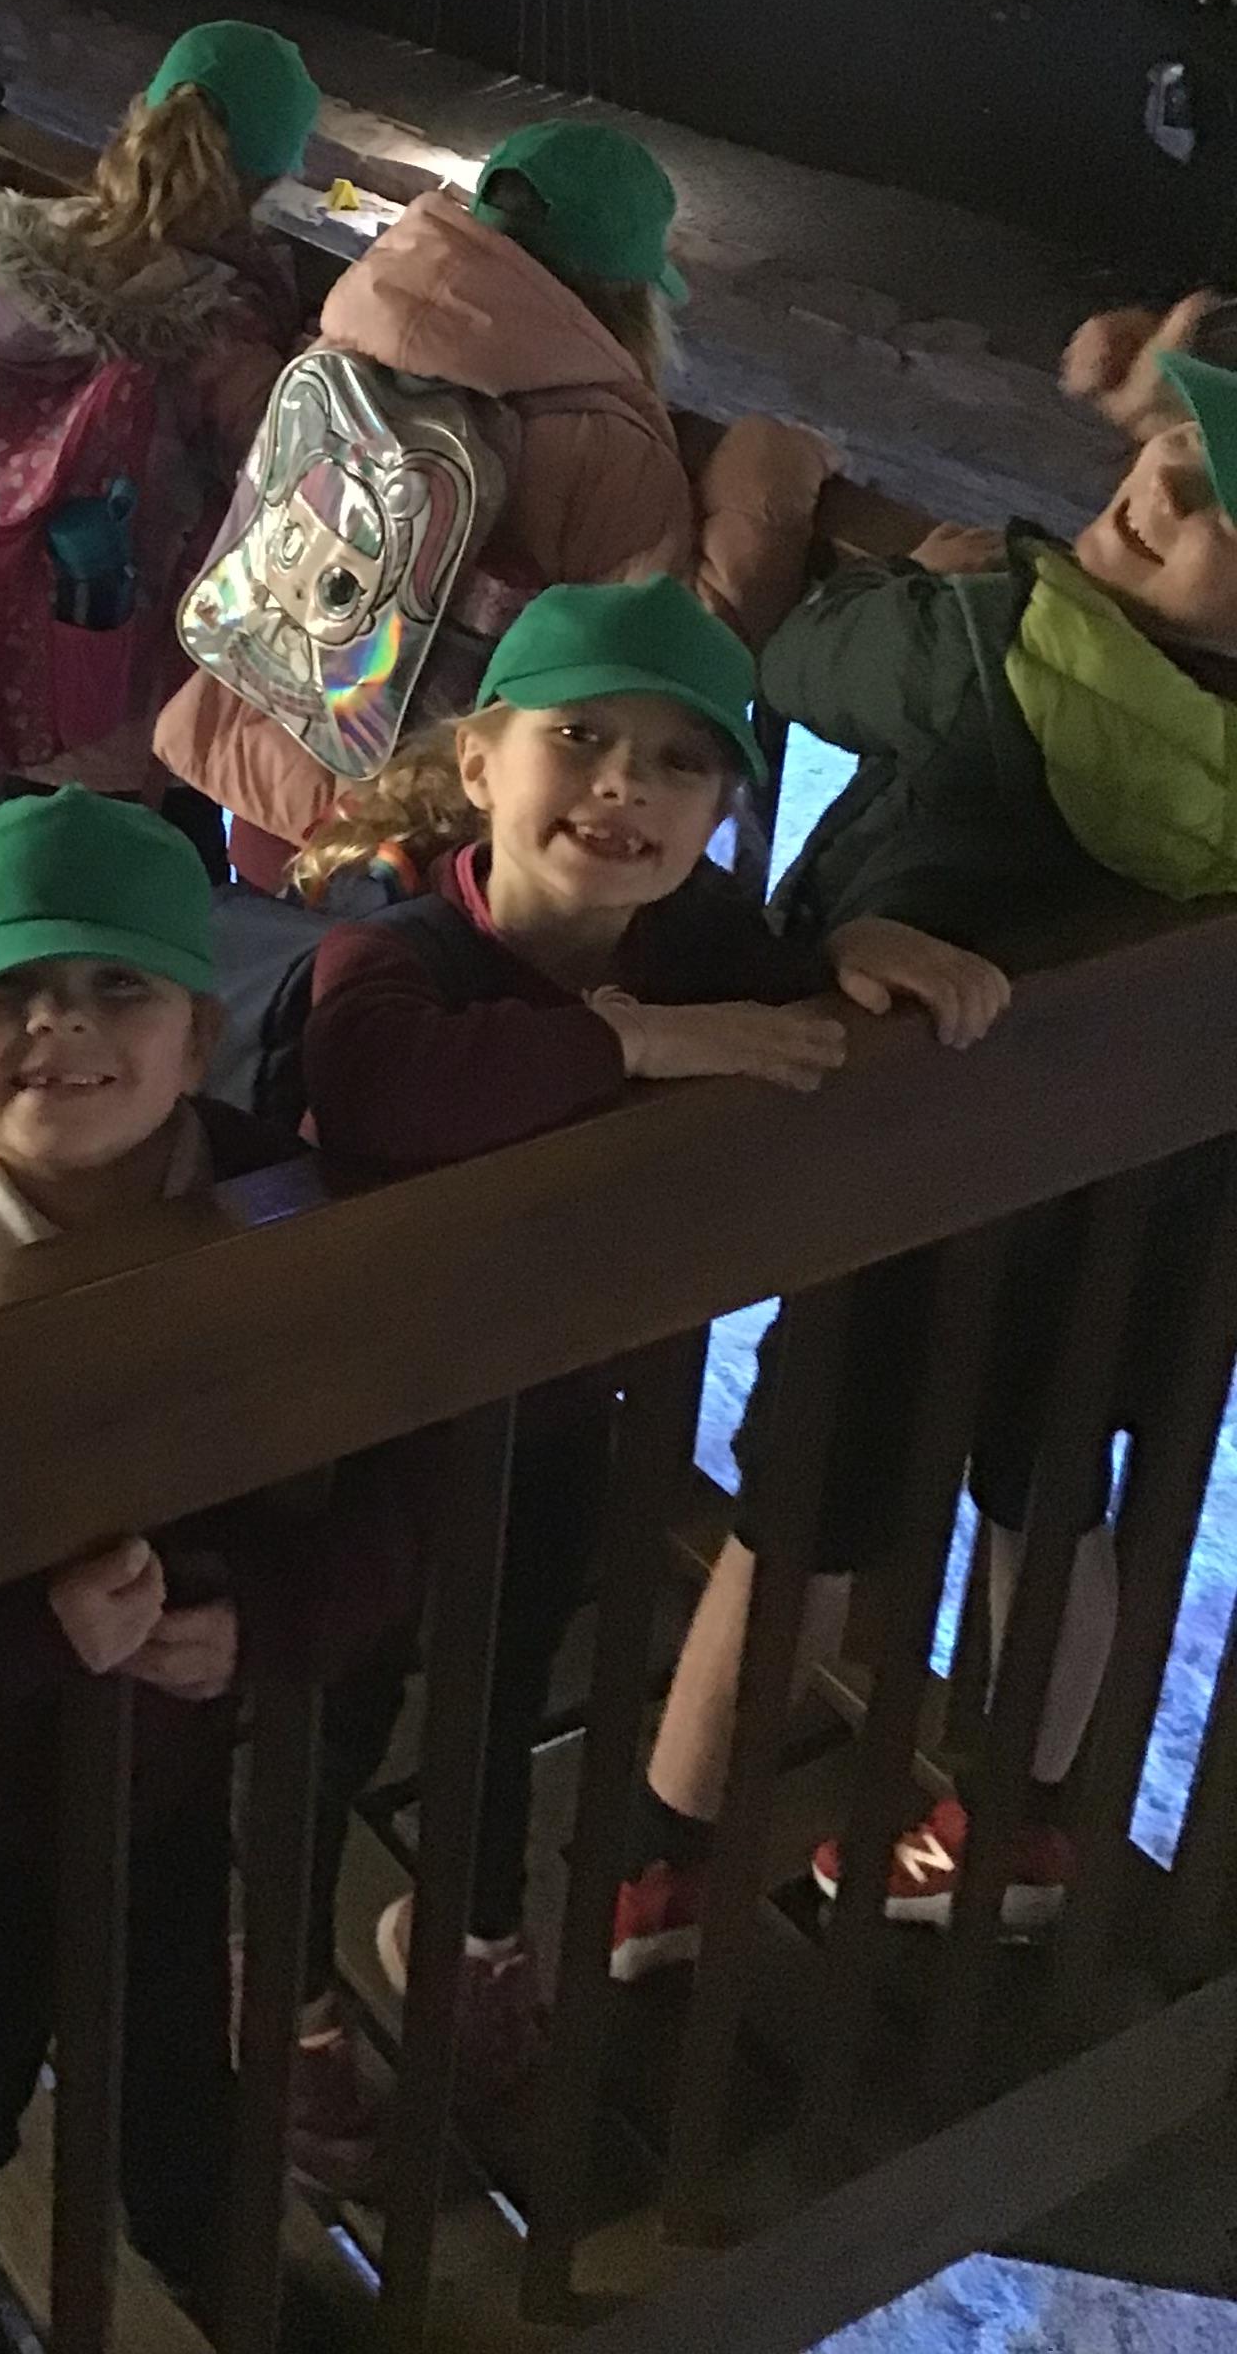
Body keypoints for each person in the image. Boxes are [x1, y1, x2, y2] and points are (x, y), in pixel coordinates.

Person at [275, 580, 1004, 2165]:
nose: (625, 786)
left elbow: (791, 989)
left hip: (550, 1408)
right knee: (327, 1712)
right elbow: (379, 1083)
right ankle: (281, 1992)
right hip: (353, 1428)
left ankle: (469, 1933)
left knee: (501, 1686)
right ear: (481, 764)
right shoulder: (394, 952)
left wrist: (851, 948)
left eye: (680, 764)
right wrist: (628, 1043)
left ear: (719, 812)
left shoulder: (700, 941)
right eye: (582, 739)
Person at [0, 789, 431, 2354]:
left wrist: (274, 1617)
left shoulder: (282, 1210)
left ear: (198, 1038)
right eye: (10, 990)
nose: (61, 1024)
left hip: (162, 1792)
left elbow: (410, 1457)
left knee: (177, 2088)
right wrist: (22, 1636)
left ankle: (219, 2277)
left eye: (118, 984)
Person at [620, 326, 1237, 1977]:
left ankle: (666, 1862)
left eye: (1215, 503)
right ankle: (1021, 1825)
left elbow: (808, 655)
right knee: (1052, 1495)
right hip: (1127, 1198)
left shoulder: (996, 647)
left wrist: (944, 577)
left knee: (801, 1513)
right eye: (1178, 453)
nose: (1164, 484)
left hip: (913, 1175)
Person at [154, 118, 832, 889]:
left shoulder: (351, 336)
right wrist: (766, 477)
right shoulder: (601, 443)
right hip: (431, 844)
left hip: (276, 773)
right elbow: (667, 657)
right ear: (629, 293)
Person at [0, 22, 308, 863]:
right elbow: (281, 465)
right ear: (271, 170)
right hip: (135, 695)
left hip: (13, 649)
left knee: (16, 867)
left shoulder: (40, 258)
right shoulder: (221, 322)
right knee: (164, 887)